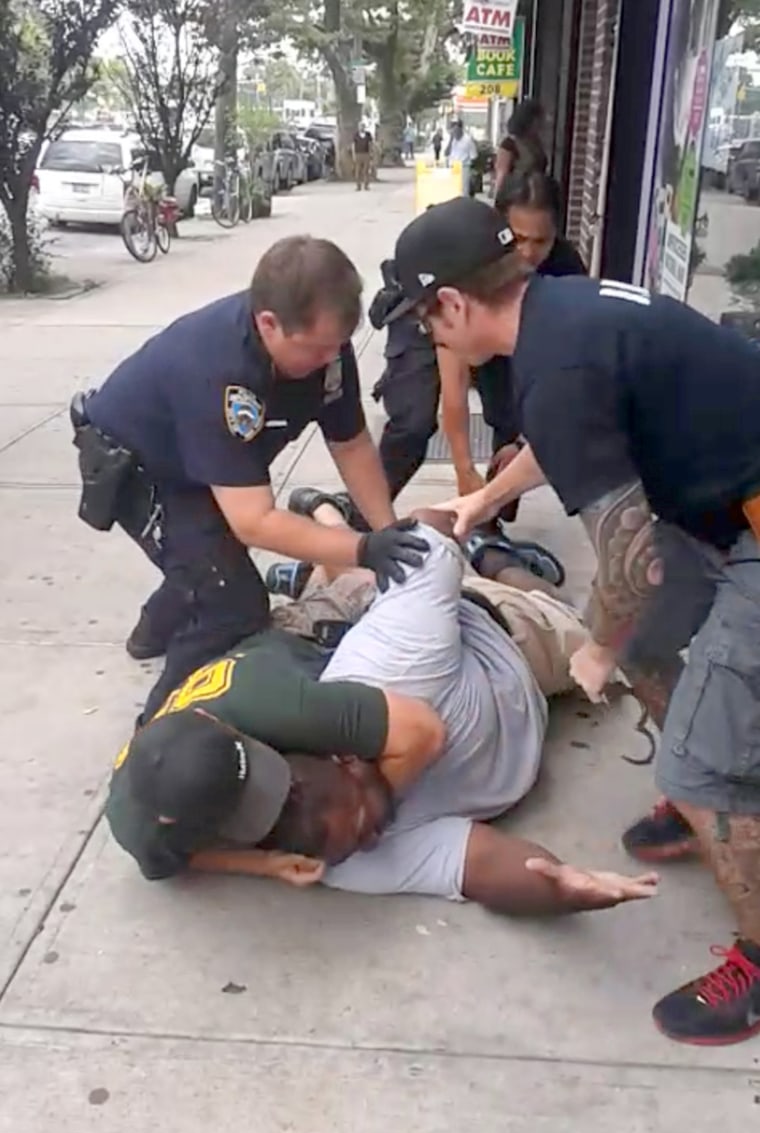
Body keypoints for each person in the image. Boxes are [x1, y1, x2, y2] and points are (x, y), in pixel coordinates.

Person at [381, 192, 760, 1046]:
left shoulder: (551, 369)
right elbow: (574, 438)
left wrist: (595, 646)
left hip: (743, 525)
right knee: (655, 649)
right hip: (727, 506)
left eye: (423, 320)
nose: (428, 337)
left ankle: (748, 915)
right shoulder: (562, 313)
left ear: (453, 303)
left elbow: (633, 565)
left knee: (699, 750)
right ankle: (705, 800)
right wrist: (484, 496)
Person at [108, 492, 658, 919]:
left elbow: (420, 543)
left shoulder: (377, 671)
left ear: (346, 755)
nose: (371, 839)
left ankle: (482, 550)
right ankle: (325, 540)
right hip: (323, 649)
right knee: (345, 590)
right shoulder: (337, 853)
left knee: (576, 624)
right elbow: (482, 867)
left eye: (366, 822)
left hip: (497, 635)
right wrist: (561, 888)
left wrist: (463, 514)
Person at [71, 236, 428, 722]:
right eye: (318, 349)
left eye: (337, 346)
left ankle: (156, 627)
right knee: (231, 603)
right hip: (140, 465)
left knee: (208, 560)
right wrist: (361, 550)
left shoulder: (326, 348)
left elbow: (351, 443)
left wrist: (385, 529)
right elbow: (254, 521)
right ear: (268, 324)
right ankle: (160, 738)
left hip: (199, 461)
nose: (331, 360)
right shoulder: (219, 370)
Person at [366, 256, 564, 587]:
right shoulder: (530, 328)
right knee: (412, 424)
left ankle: (487, 539)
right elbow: (453, 395)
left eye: (432, 329)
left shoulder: (557, 350)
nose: (529, 253)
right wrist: (475, 484)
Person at [437, 172, 586, 515]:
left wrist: (525, 441)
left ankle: (493, 513)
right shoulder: (469, 266)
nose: (529, 253)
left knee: (520, 438)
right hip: (468, 344)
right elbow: (455, 382)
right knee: (415, 422)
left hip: (534, 354)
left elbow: (571, 373)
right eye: (518, 238)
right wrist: (463, 468)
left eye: (541, 241)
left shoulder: (566, 268)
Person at [493, 98, 548, 201]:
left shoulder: (536, 142)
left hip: (537, 195)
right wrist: (498, 202)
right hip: (518, 197)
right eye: (539, 119)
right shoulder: (510, 144)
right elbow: (502, 174)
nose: (542, 122)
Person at [445, 120, 478, 193]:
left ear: (460, 129)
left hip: (464, 167)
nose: (455, 132)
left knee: (463, 190)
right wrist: (450, 141)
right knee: (452, 190)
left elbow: (474, 156)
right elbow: (446, 153)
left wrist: (472, 170)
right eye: (453, 130)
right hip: (453, 167)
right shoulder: (451, 140)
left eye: (456, 130)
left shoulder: (468, 140)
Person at [353, 125, 373, 190]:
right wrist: (354, 154)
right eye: (360, 127)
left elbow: (370, 144)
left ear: (364, 128)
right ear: (358, 128)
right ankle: (358, 186)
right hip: (358, 154)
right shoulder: (356, 135)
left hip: (366, 154)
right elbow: (353, 145)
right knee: (358, 170)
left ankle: (366, 186)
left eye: (363, 127)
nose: (362, 128)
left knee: (366, 170)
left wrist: (371, 153)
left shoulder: (368, 134)